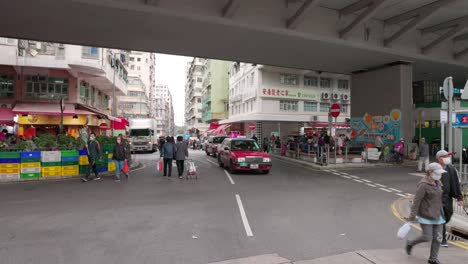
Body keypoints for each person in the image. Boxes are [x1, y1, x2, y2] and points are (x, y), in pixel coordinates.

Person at [405, 162, 446, 264]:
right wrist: (412, 217)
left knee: (438, 238)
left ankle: (433, 258)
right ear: (430, 172)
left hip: (438, 215)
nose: (439, 175)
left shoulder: (438, 182)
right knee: (427, 237)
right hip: (426, 215)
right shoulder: (423, 185)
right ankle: (410, 243)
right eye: (437, 173)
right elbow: (416, 201)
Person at [436, 150, 464, 247]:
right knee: (442, 219)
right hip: (437, 198)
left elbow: (455, 184)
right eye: (445, 156)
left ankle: (437, 228)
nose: (448, 158)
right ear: (439, 159)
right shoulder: (434, 169)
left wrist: (459, 198)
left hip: (448, 198)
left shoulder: (451, 169)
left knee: (448, 215)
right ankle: (443, 239)